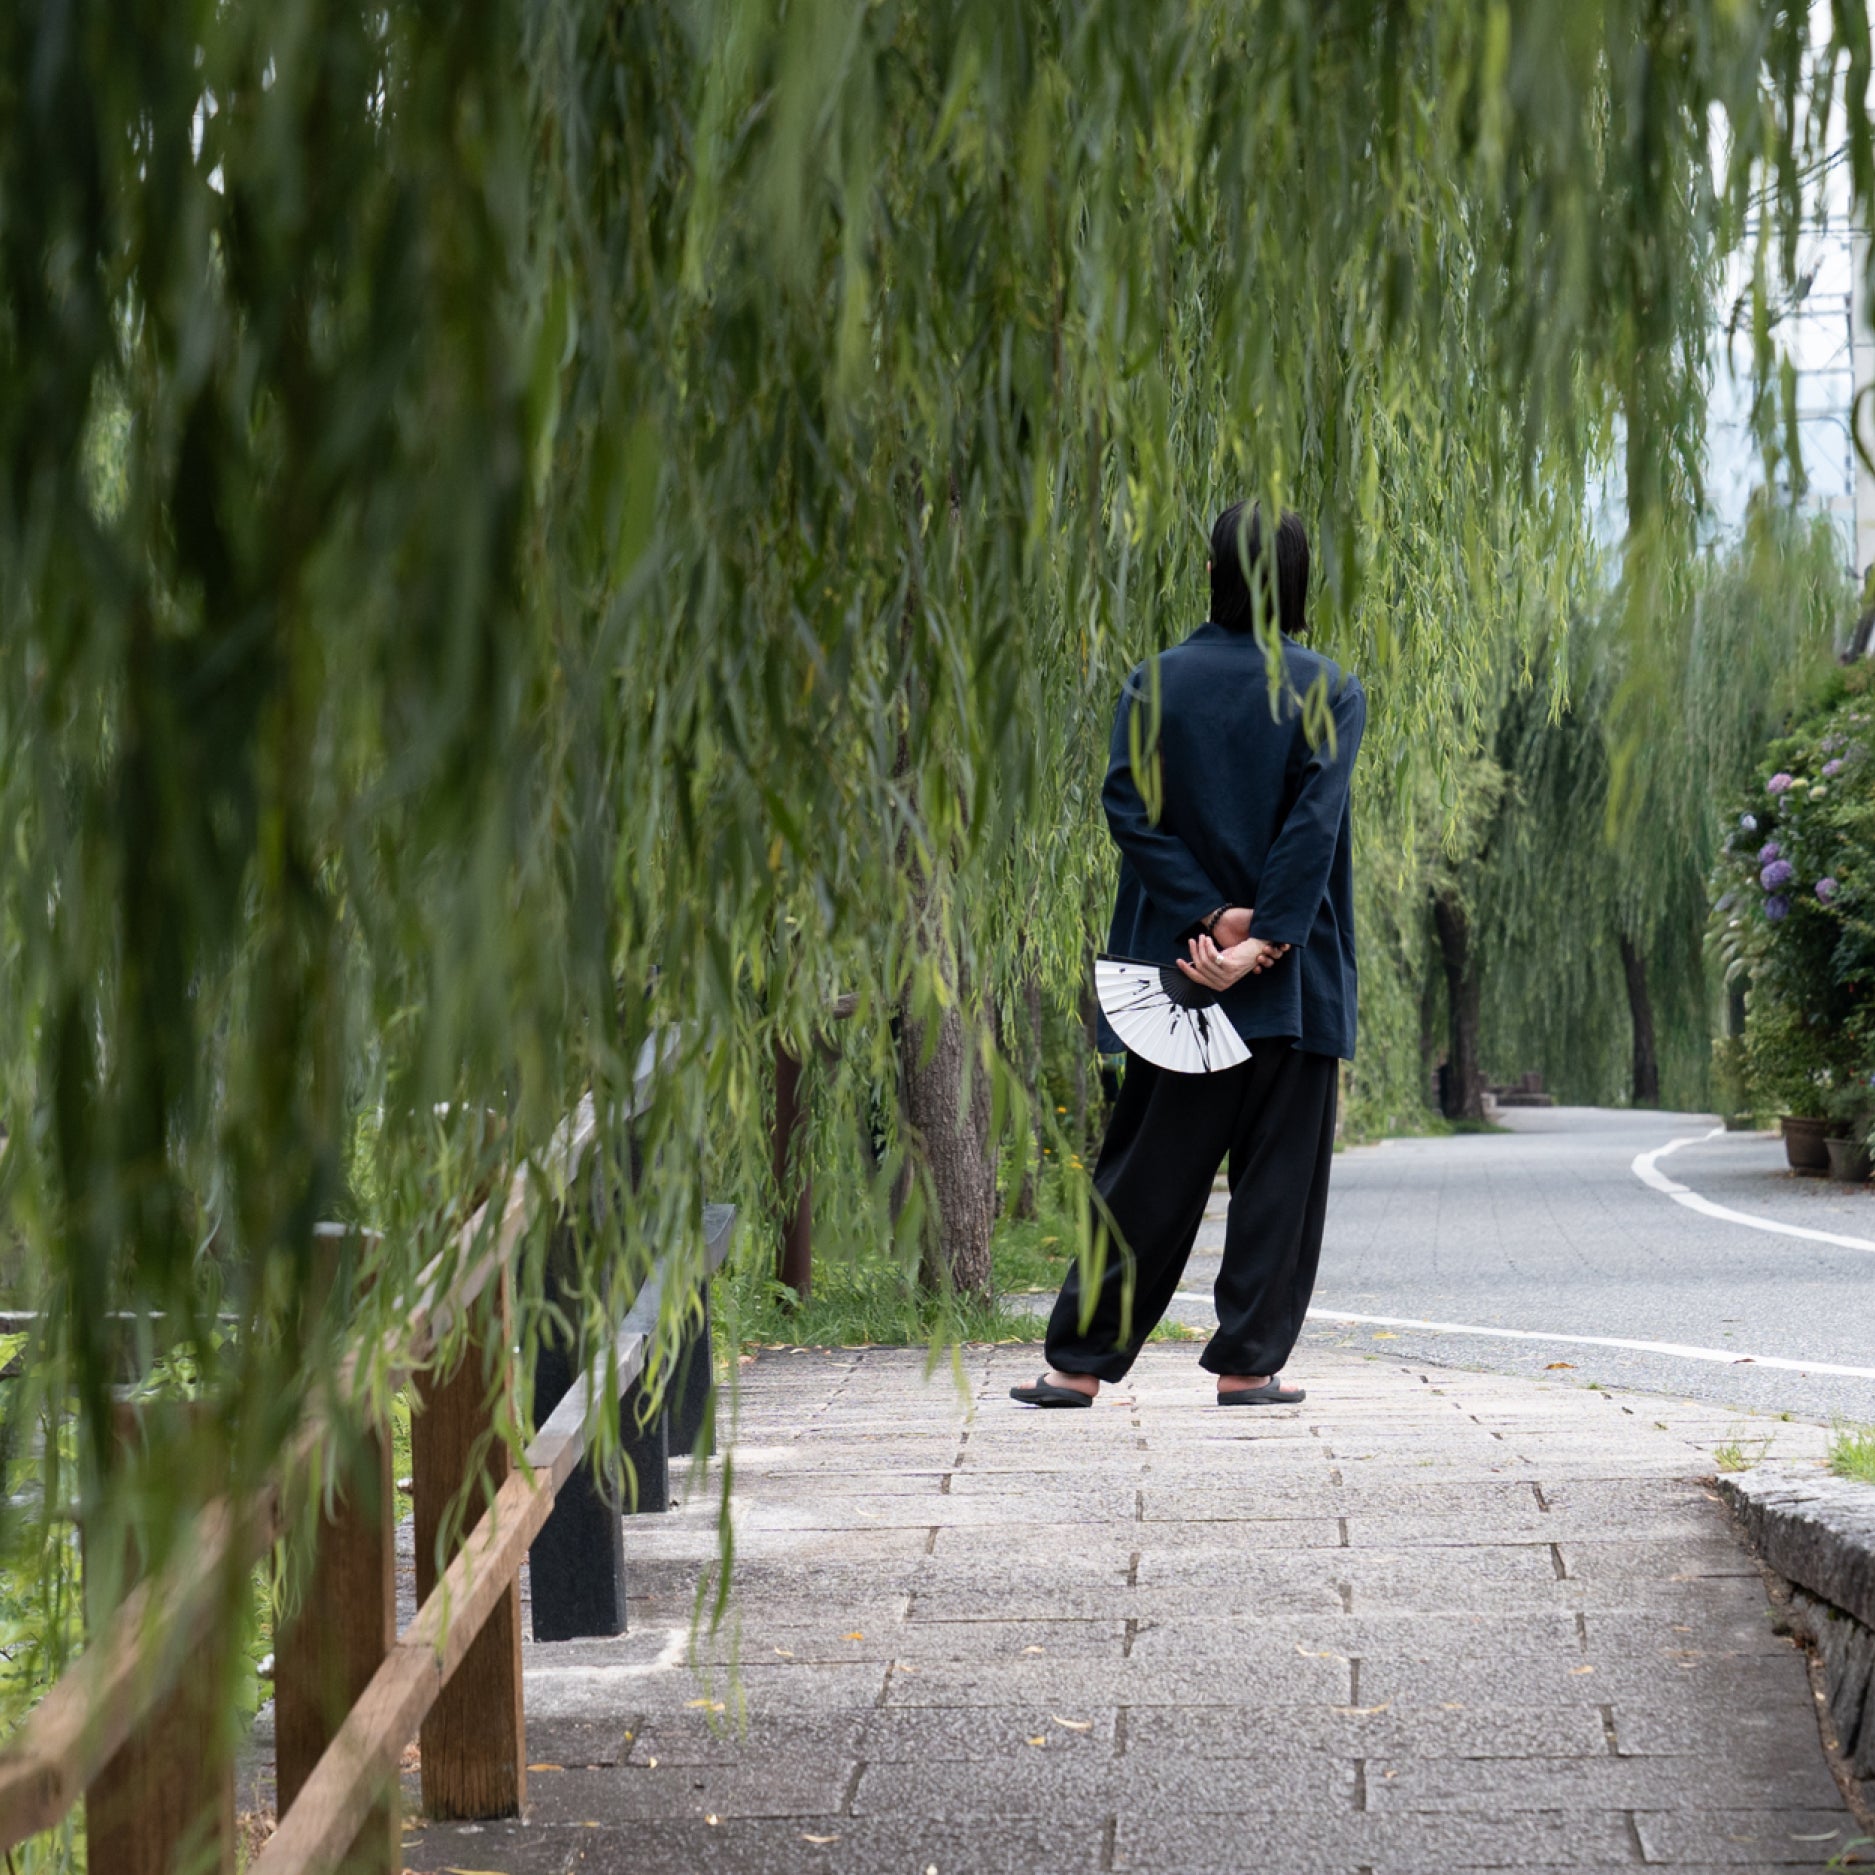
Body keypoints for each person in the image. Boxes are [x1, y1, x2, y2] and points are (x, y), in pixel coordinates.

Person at [1013, 501, 1365, 1409]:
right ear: (1296, 585)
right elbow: (1309, 830)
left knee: (1146, 1173)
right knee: (1279, 1179)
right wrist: (1263, 941)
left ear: (1210, 575)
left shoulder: (1154, 681)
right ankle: (1249, 1364)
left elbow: (1128, 811)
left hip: (1176, 974)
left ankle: (1075, 1366)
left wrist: (1208, 922)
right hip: (1292, 980)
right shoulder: (1329, 688)